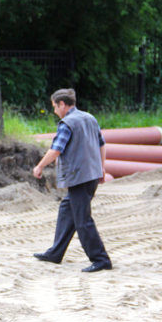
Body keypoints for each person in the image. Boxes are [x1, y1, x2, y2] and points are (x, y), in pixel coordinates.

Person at [32, 88, 113, 272]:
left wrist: (40, 166)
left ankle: (101, 260)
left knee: (82, 219)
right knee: (67, 209)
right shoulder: (89, 118)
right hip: (91, 174)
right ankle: (55, 252)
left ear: (62, 104)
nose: (54, 111)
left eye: (54, 106)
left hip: (79, 177)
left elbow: (56, 150)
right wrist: (101, 167)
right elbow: (102, 143)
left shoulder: (67, 123)